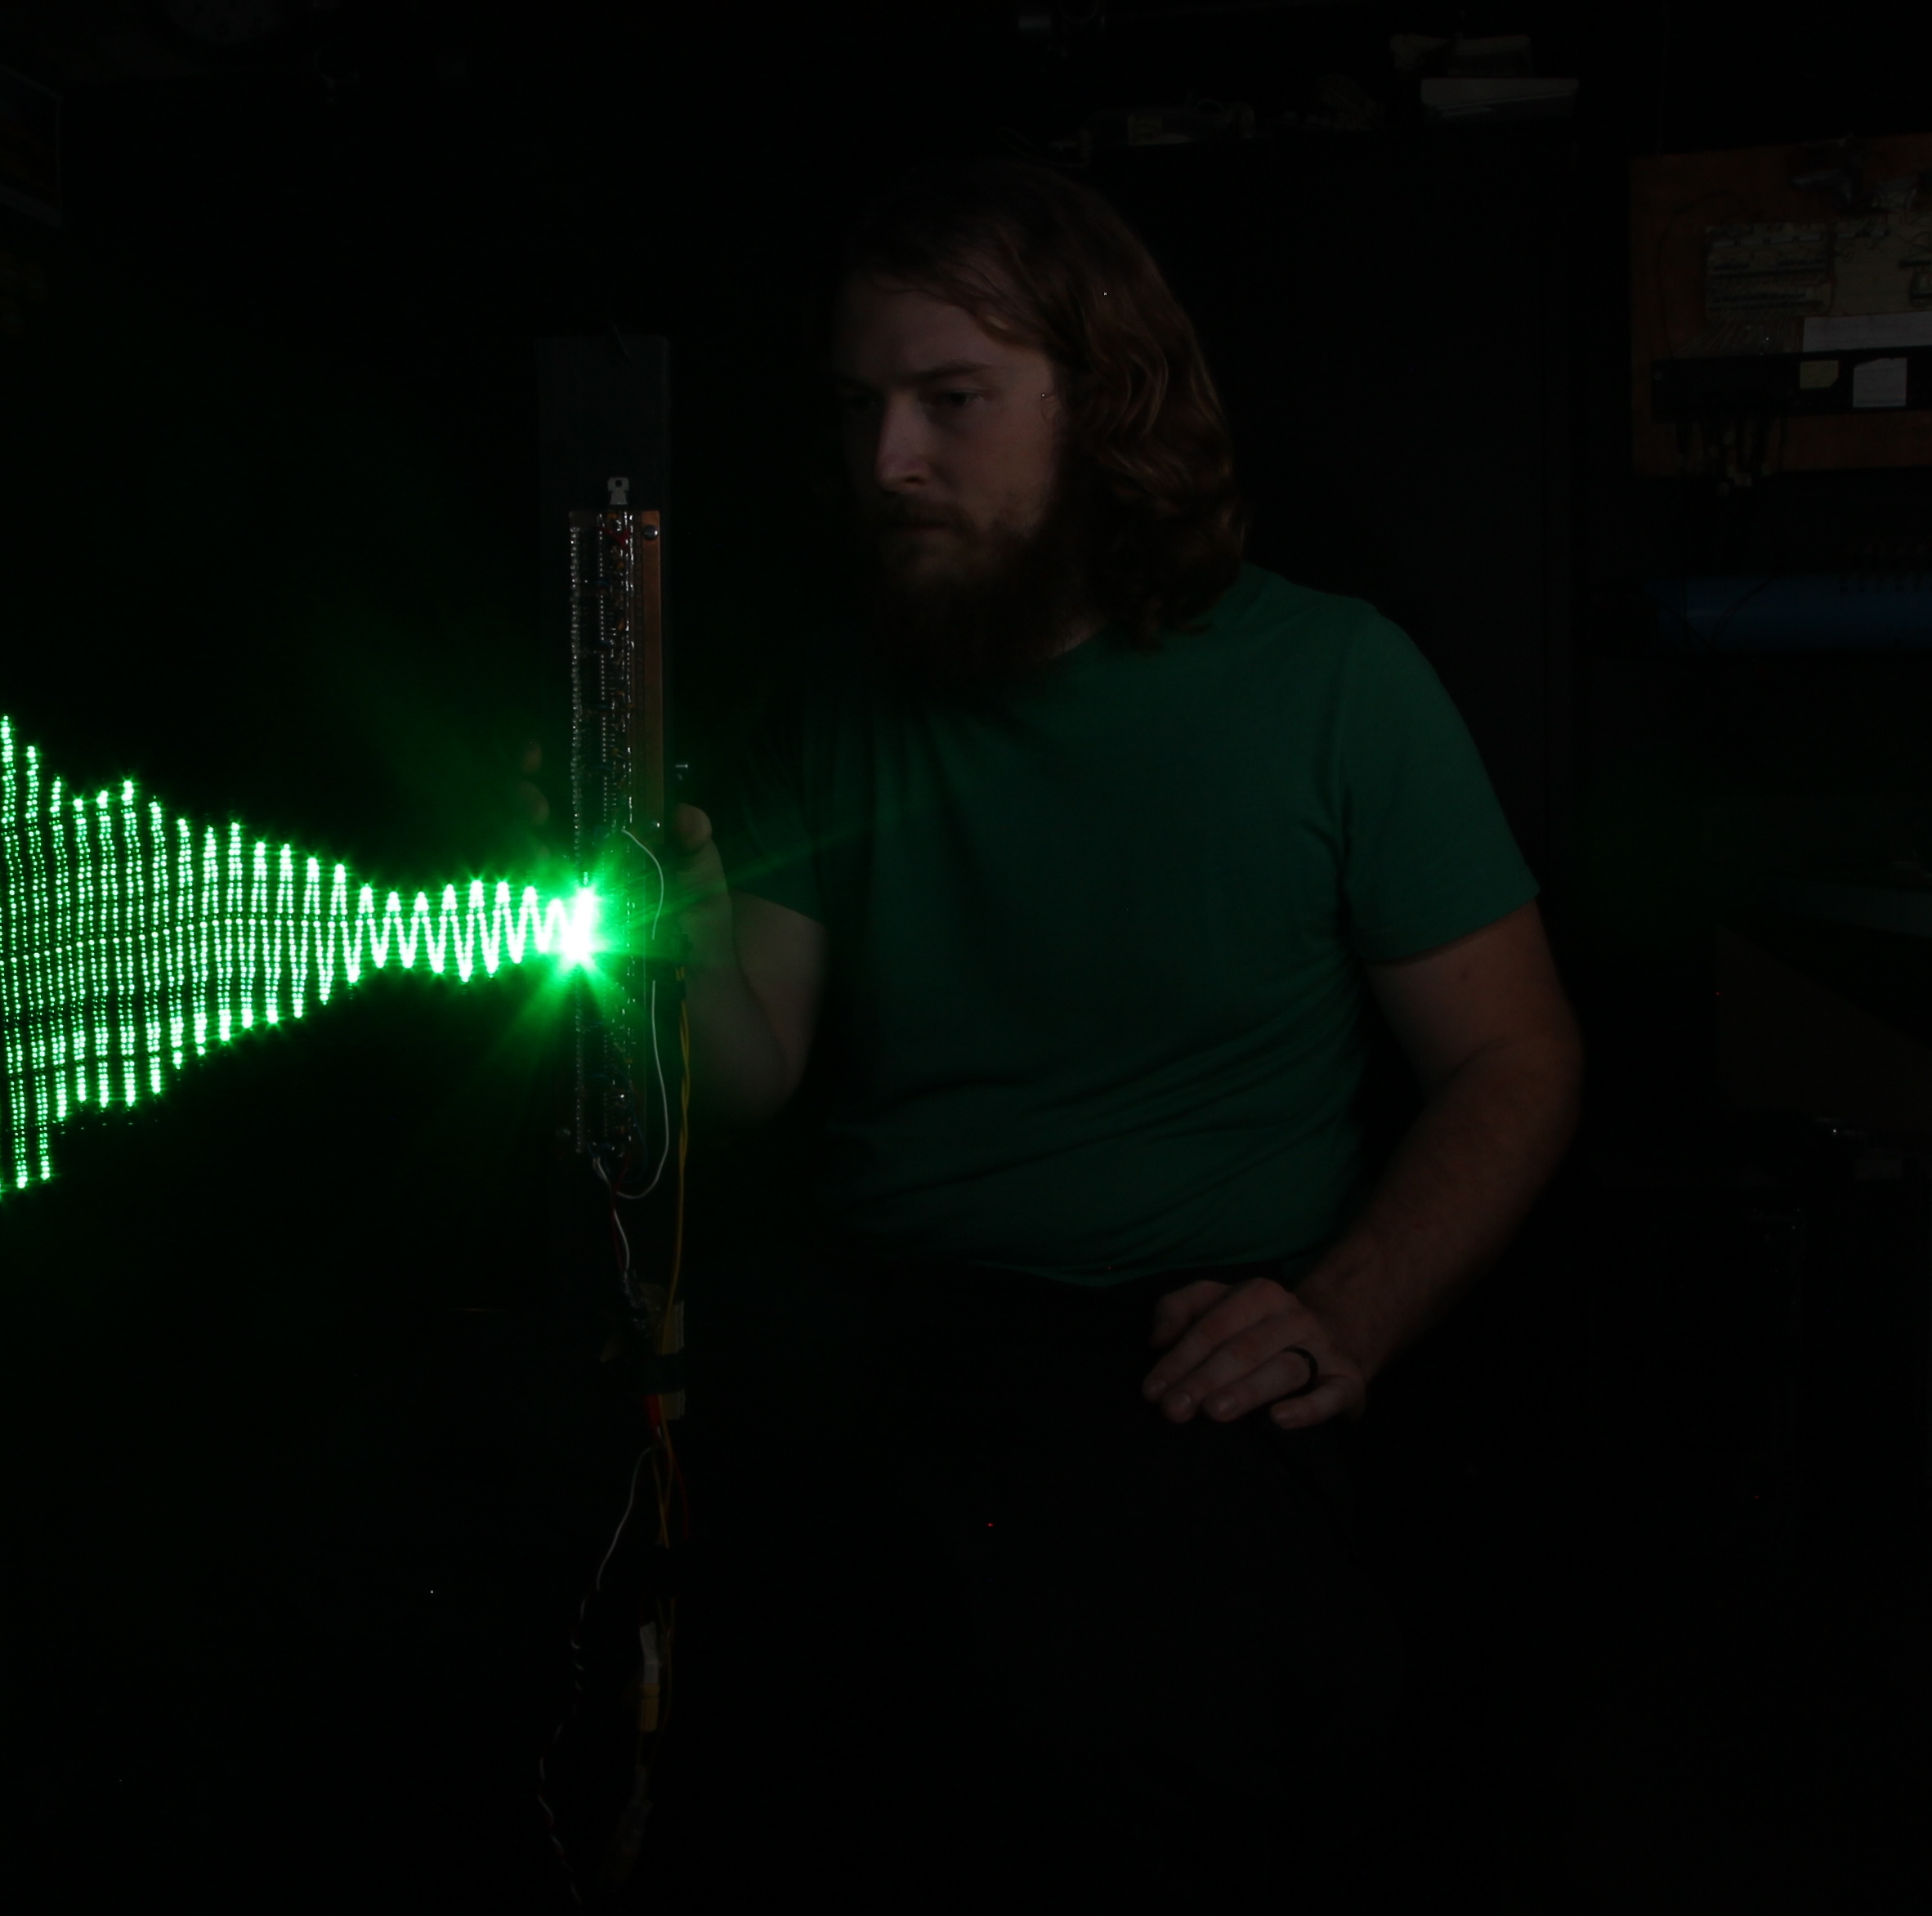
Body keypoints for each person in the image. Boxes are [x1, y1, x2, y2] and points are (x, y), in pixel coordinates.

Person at [669, 160, 1583, 1904]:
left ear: (1102, 404)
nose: (888, 461)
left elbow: (1517, 1057)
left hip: (1185, 1346)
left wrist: (1344, 1314)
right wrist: (676, 923)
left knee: (1113, 1738)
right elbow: (746, 1071)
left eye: (951, 399)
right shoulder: (829, 695)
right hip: (892, 1340)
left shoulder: (1333, 682)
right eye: (859, 406)